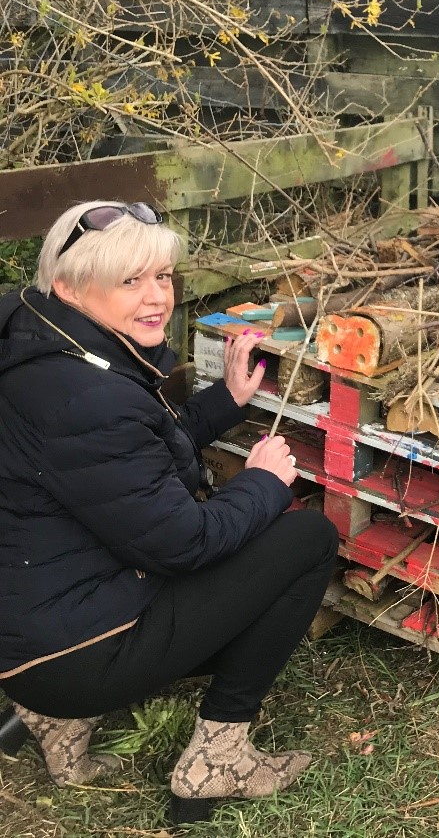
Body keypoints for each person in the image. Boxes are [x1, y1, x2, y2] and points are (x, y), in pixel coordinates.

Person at [0, 201, 338, 824]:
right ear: (72, 284)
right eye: (130, 280)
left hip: (35, 626)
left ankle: (52, 721)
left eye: (162, 275)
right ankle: (219, 757)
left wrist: (227, 401)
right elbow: (185, 544)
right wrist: (263, 485)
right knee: (308, 538)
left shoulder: (43, 342)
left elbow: (127, 455)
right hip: (75, 653)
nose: (156, 296)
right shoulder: (85, 396)